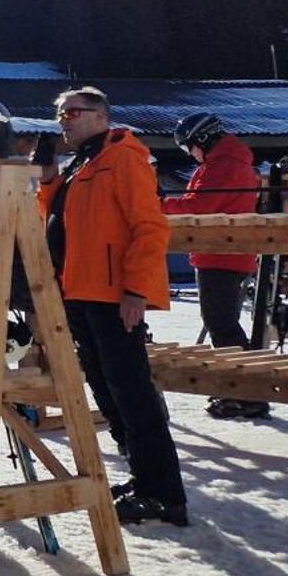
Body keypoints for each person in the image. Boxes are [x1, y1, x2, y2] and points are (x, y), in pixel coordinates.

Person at [40, 87, 188, 527]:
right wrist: (49, 178)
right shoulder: (82, 162)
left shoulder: (123, 157)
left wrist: (136, 290)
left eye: (73, 113)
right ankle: (144, 477)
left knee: (133, 392)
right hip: (81, 291)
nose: (64, 121)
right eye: (59, 115)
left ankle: (165, 494)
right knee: (107, 389)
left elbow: (149, 226)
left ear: (101, 116)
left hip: (112, 295)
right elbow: (56, 218)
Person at [163, 112, 266, 420]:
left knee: (222, 325)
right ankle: (242, 391)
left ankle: (245, 394)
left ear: (202, 139)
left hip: (221, 255)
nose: (189, 155)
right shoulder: (230, 162)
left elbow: (197, 206)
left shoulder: (223, 166)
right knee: (223, 323)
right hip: (225, 253)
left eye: (188, 148)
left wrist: (155, 206)